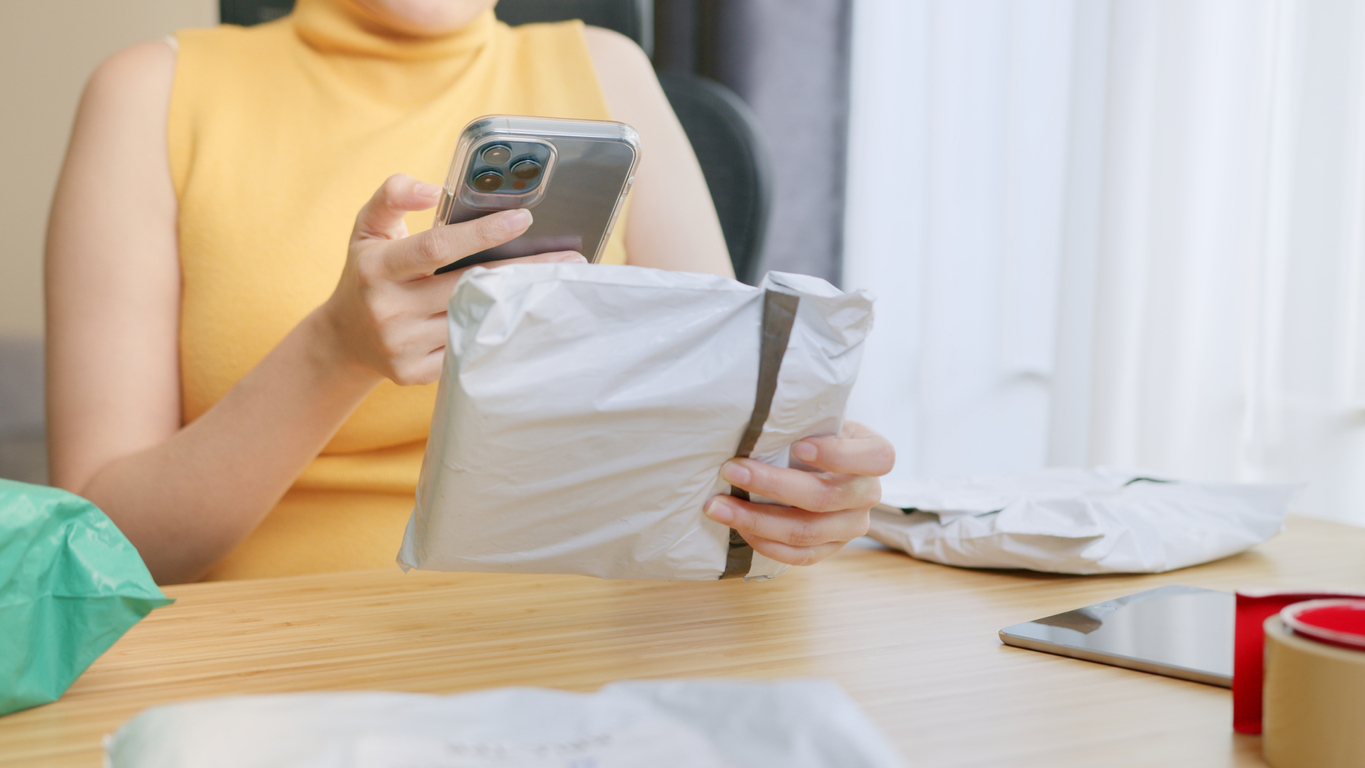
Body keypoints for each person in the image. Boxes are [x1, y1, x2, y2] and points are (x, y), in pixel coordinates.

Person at [45, 0, 894, 584]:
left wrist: (800, 490)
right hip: (279, 656)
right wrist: (330, 354)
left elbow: (725, 424)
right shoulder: (151, 89)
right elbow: (97, 550)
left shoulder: (611, 73)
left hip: (585, 652)